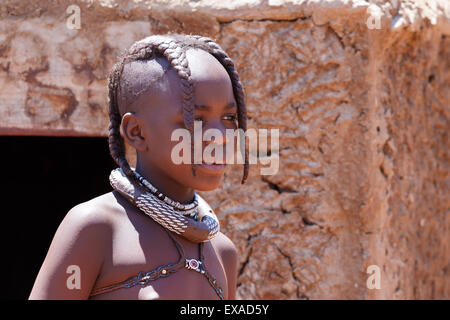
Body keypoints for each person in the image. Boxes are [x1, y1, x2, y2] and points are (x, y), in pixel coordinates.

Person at [29, 34, 249, 300]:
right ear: (137, 132)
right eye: (196, 118)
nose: (220, 136)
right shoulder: (97, 229)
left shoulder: (222, 252)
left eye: (228, 117)